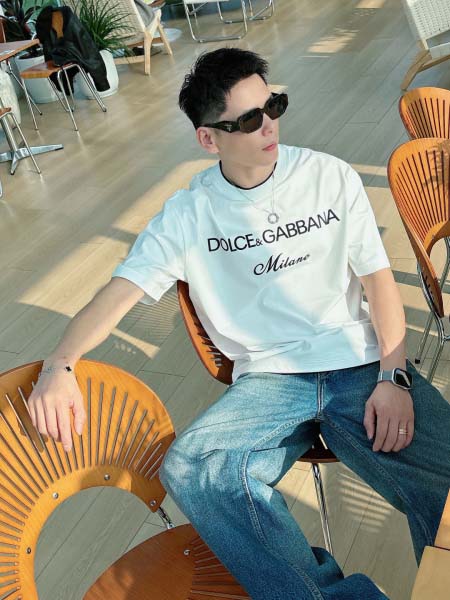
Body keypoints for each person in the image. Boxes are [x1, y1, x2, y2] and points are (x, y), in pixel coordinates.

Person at [27, 48, 450, 599]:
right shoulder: (187, 216)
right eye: (249, 120)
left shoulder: (329, 176)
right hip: (268, 382)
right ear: (209, 139)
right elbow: (117, 296)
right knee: (193, 468)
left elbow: (378, 282)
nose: (269, 125)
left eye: (273, 106)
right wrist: (60, 364)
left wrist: (393, 375)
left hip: (359, 360)